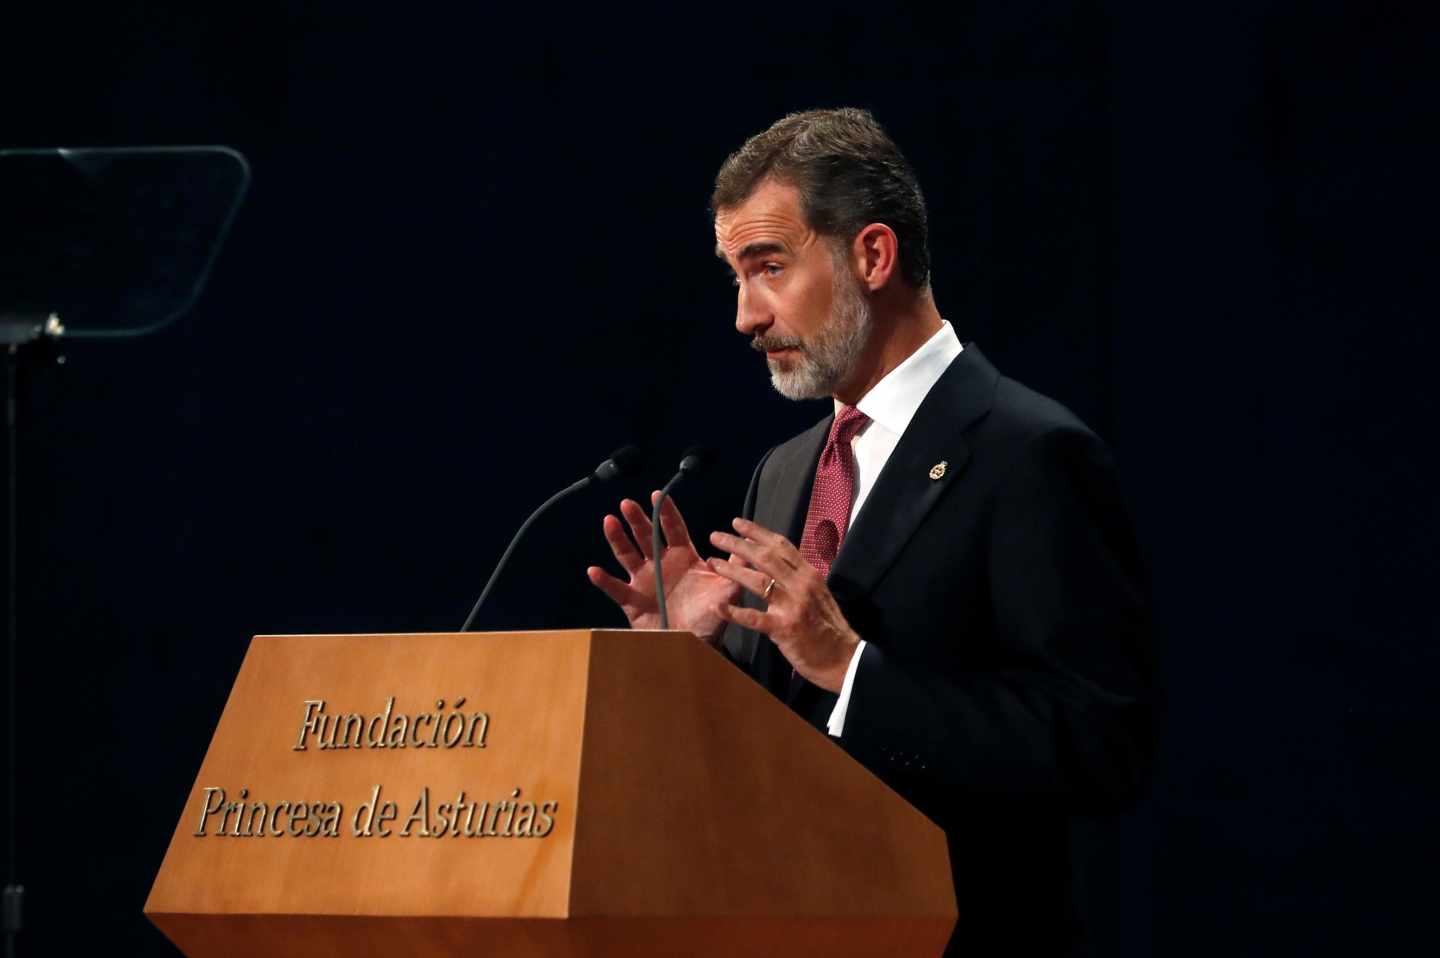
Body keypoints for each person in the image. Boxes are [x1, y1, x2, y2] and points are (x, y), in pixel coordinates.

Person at [586, 107, 1154, 956]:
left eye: (768, 268)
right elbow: (781, 745)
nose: (745, 315)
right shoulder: (783, 469)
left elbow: (1103, 746)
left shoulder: (1028, 453)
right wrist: (693, 667)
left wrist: (854, 670)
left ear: (873, 255)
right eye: (735, 277)